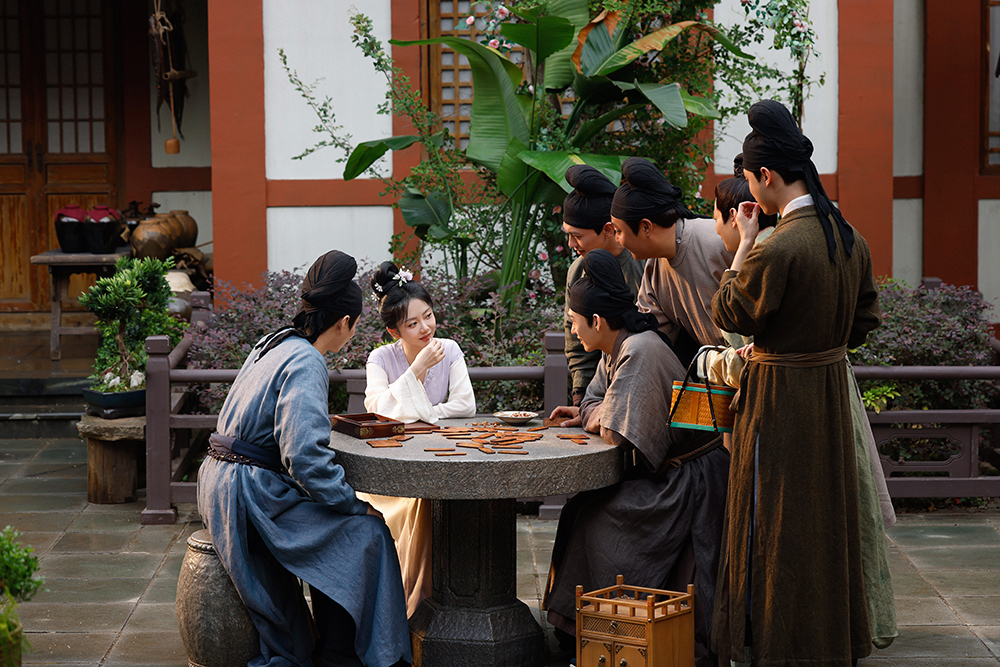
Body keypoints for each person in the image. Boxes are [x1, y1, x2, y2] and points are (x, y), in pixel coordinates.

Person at [711, 99, 883, 667]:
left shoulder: (779, 246)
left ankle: (782, 648)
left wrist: (742, 245)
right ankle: (832, 643)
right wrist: (821, 351)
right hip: (830, 395)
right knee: (826, 520)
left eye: (750, 181)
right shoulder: (847, 236)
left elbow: (728, 311)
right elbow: (864, 323)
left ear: (765, 177)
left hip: (780, 401)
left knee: (777, 524)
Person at [197, 250, 411, 667]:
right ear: (345, 323)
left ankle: (338, 649)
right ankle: (348, 656)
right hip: (250, 494)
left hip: (219, 480)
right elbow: (304, 457)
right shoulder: (308, 361)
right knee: (367, 533)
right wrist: (352, 504)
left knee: (348, 527)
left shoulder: (275, 340)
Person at [544, 249, 729, 667]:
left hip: (688, 480)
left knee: (598, 519)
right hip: (671, 470)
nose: (570, 328)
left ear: (597, 321)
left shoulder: (640, 350)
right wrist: (591, 412)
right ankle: (576, 626)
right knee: (577, 509)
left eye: (573, 322)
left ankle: (606, 626)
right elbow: (596, 403)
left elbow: (615, 430)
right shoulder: (616, 346)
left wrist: (594, 414)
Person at [360, 261, 476, 617]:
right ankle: (414, 602)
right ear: (395, 331)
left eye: (428, 315)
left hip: (435, 457)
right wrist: (418, 369)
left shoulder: (450, 349)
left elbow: (465, 405)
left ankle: (421, 601)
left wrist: (421, 412)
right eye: (412, 323)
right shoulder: (380, 359)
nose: (426, 328)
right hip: (391, 471)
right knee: (418, 501)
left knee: (430, 499)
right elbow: (381, 410)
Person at [608, 156, 734, 366]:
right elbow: (653, 338)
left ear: (646, 227)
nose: (617, 239)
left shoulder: (717, 241)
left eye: (619, 231)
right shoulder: (654, 268)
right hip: (713, 376)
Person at [560, 164, 645, 407]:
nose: (570, 243)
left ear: (608, 230)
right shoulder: (577, 270)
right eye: (567, 234)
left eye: (577, 236)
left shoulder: (644, 264)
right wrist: (581, 397)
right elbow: (575, 335)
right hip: (597, 391)